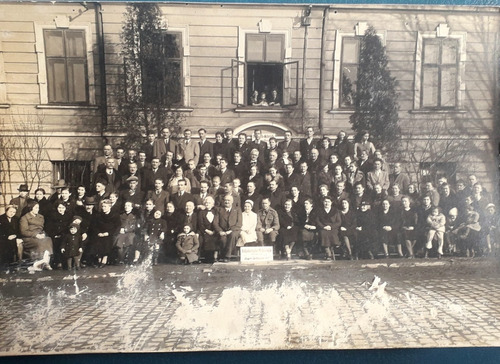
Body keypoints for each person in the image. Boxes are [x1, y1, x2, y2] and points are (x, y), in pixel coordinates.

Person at [89, 199, 120, 267]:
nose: (103, 208)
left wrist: (108, 233)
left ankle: (104, 259)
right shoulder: (98, 215)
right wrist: (98, 233)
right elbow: (94, 226)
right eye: (102, 206)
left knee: (107, 240)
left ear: (110, 206)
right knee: (97, 239)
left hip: (110, 233)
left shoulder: (115, 215)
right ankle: (99, 258)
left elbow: (117, 227)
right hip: (100, 232)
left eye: (105, 206)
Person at [214, 194, 242, 262]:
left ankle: (227, 256)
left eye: (228, 200)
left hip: (234, 230)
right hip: (223, 230)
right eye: (225, 200)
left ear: (232, 201)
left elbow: (239, 223)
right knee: (223, 239)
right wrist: (220, 231)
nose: (227, 202)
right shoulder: (219, 210)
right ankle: (223, 255)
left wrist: (231, 230)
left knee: (232, 235)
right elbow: (215, 223)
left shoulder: (237, 209)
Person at [46, 202, 73, 269]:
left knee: (65, 242)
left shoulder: (68, 216)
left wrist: (64, 234)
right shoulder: (52, 216)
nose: (61, 209)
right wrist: (54, 234)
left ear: (65, 208)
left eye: (63, 208)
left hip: (65, 234)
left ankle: (66, 262)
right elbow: (49, 227)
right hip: (54, 235)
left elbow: (69, 227)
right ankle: (58, 262)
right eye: (59, 208)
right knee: (56, 243)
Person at [316, 196, 342, 260]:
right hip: (323, 228)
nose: (327, 203)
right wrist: (323, 227)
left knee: (333, 234)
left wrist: (331, 227)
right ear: (323, 202)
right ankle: (328, 253)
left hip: (333, 228)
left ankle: (332, 248)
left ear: (331, 203)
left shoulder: (335, 211)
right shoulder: (319, 211)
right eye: (325, 202)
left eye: (328, 202)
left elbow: (339, 222)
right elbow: (317, 221)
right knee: (323, 234)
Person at [198, 196, 219, 262]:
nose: (207, 204)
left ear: (212, 204)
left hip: (214, 231)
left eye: (209, 203)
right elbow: (200, 224)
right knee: (205, 239)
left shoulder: (216, 212)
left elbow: (218, 222)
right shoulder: (201, 213)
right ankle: (207, 258)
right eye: (206, 203)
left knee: (216, 238)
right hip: (205, 231)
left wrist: (214, 231)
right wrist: (206, 231)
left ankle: (215, 257)